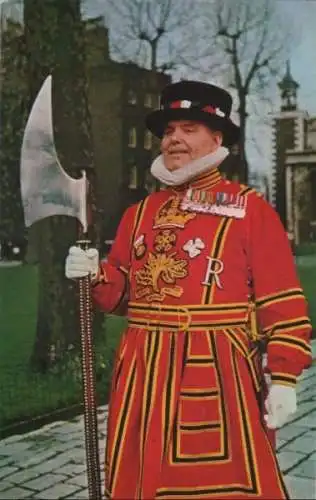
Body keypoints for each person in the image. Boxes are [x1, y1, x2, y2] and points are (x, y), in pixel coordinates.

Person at [65, 80, 312, 499]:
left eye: (189, 128)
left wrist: (285, 377)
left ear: (216, 138)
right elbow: (123, 296)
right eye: (168, 131)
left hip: (216, 371)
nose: (174, 139)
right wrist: (96, 275)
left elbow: (282, 301)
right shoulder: (139, 213)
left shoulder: (249, 208)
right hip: (142, 372)